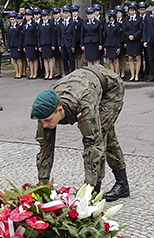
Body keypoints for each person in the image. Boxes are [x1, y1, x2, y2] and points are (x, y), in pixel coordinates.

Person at [30, 64, 129, 202]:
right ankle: (121, 185)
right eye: (43, 121)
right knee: (101, 133)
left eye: (47, 120)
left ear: (59, 111)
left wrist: (88, 190)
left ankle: (109, 187)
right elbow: (45, 148)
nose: (45, 124)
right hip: (84, 82)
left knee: (101, 134)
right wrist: (43, 186)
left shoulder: (83, 104)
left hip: (110, 88)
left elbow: (93, 145)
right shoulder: (46, 109)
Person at [124, 2, 143, 81]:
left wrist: (134, 36)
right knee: (130, 57)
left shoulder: (139, 19)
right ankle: (132, 75)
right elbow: (124, 30)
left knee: (138, 57)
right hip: (129, 41)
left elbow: (140, 29)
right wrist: (129, 36)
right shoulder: (126, 19)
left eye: (133, 10)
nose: (131, 12)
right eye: (130, 10)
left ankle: (137, 75)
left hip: (136, 40)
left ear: (135, 11)